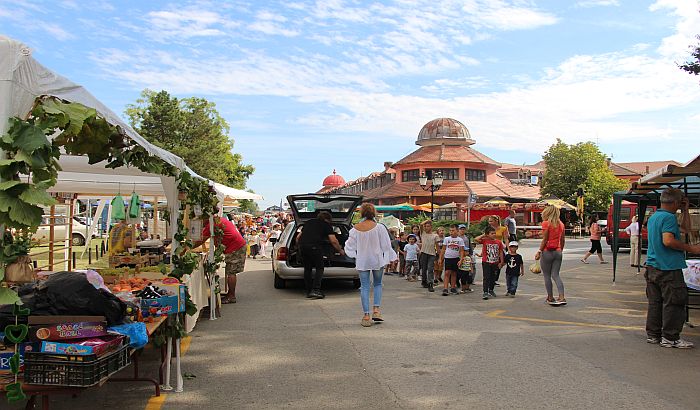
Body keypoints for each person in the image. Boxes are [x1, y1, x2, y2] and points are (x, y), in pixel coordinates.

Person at [644, 188, 700, 348]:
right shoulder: (668, 218)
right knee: (674, 302)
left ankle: (654, 335)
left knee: (655, 303)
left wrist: (685, 210)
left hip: (653, 266)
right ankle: (670, 337)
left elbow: (685, 229)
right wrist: (692, 249)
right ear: (676, 202)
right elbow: (668, 241)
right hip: (668, 267)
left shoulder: (655, 217)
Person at [344, 203, 397, 327]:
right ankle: (376, 311)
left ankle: (366, 316)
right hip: (377, 260)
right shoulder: (379, 228)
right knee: (378, 284)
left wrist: (354, 255)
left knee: (365, 287)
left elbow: (349, 246)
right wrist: (390, 256)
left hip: (363, 260)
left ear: (362, 213)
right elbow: (386, 245)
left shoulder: (354, 229)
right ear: (374, 213)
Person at [194, 207, 246, 304]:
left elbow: (200, 240)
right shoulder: (218, 220)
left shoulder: (212, 224)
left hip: (235, 247)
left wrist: (187, 248)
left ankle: (232, 296)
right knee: (230, 271)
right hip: (235, 246)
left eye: (201, 219)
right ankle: (230, 294)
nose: (201, 222)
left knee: (231, 272)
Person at [296, 211, 345, 299]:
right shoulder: (326, 225)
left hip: (303, 247)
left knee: (308, 268)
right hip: (315, 247)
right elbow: (333, 241)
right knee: (320, 268)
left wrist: (298, 247)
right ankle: (316, 290)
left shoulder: (309, 222)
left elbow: (298, 237)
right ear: (328, 219)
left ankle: (309, 291)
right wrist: (340, 250)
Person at [535, 205, 566, 305]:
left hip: (547, 251)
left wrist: (539, 251)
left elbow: (545, 239)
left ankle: (550, 297)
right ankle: (562, 297)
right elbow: (563, 240)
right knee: (556, 275)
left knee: (547, 275)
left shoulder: (546, 223)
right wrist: (561, 249)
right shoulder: (561, 224)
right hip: (558, 251)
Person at [476, 225, 504, 300]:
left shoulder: (498, 242)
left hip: (495, 262)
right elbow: (476, 239)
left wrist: (501, 261)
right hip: (486, 261)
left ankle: (491, 290)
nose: (494, 234)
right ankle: (485, 291)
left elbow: (501, 252)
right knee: (486, 277)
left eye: (494, 233)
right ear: (488, 234)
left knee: (493, 277)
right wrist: (484, 235)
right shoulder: (485, 240)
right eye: (492, 233)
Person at [440, 225, 466, 296]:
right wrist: (440, 258)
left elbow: (461, 251)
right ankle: (445, 288)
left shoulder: (460, 240)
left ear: (457, 231)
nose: (451, 232)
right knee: (447, 272)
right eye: (450, 231)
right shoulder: (447, 239)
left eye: (453, 230)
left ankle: (453, 287)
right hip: (448, 258)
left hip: (456, 258)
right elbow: (443, 249)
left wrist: (461, 260)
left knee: (454, 273)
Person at [419, 220, 439, 292]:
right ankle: (424, 281)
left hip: (432, 254)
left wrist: (439, 255)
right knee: (424, 269)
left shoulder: (435, 236)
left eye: (428, 226)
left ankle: (430, 283)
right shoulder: (423, 234)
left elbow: (437, 246)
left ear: (431, 227)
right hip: (423, 253)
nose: (426, 228)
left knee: (430, 268)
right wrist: (427, 221)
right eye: (425, 226)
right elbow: (421, 225)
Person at [457, 224, 475, 293]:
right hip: (458, 255)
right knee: (459, 271)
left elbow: (470, 246)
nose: (462, 230)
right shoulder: (457, 237)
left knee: (467, 272)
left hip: (466, 255)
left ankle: (466, 286)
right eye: (461, 229)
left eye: (463, 229)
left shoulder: (467, 237)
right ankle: (458, 283)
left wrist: (470, 254)